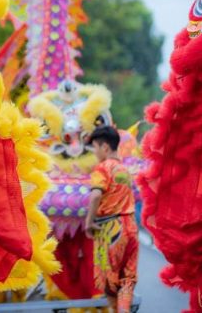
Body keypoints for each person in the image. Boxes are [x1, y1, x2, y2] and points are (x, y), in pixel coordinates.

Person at [84, 126, 138, 313]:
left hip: (111, 229)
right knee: (127, 279)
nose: (95, 153)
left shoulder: (102, 168)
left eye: (95, 148)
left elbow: (95, 195)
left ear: (105, 147)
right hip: (131, 227)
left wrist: (88, 222)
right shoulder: (125, 170)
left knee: (108, 280)